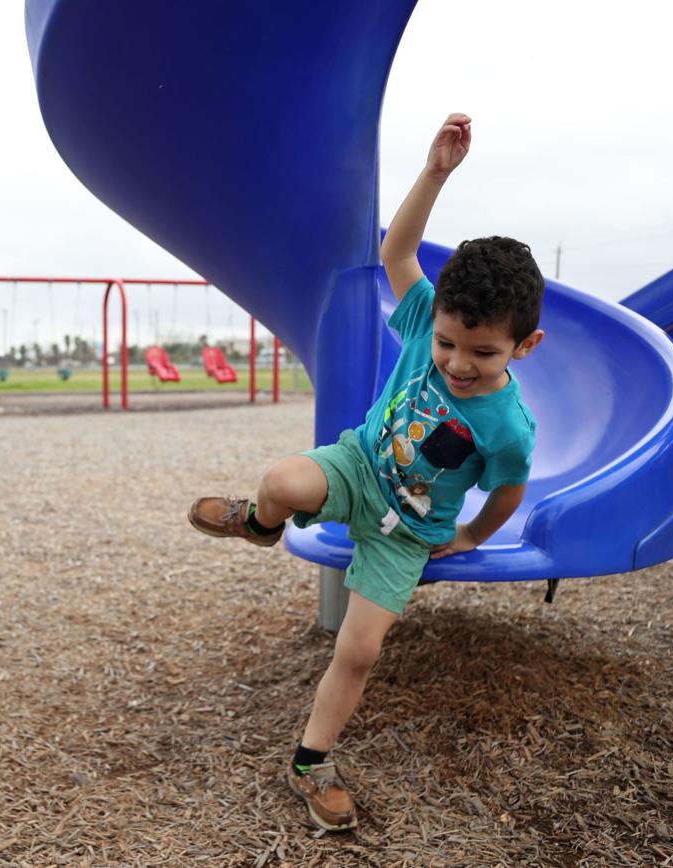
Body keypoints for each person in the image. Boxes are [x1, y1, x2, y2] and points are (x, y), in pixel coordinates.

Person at [187, 113, 545, 832]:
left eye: (483, 352)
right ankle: (259, 524)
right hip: (357, 467)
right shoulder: (421, 318)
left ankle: (310, 764)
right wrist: (436, 173)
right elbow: (399, 250)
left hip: (407, 532)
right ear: (432, 319)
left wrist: (473, 534)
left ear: (524, 346)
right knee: (283, 481)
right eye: (447, 341)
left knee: (360, 649)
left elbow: (508, 485)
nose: (457, 362)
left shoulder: (507, 425)